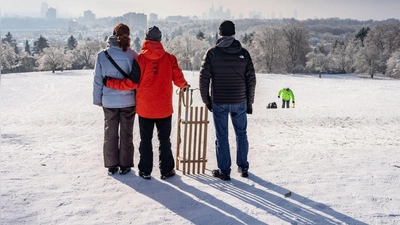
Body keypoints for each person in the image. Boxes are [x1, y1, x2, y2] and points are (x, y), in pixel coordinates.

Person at [104, 26, 189, 180]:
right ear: (160, 39)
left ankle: (145, 170)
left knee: (145, 140)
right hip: (164, 109)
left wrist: (111, 83)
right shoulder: (170, 58)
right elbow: (179, 81)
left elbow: (131, 84)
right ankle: (167, 170)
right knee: (165, 140)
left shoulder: (140, 60)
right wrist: (185, 85)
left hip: (145, 109)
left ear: (146, 39)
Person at [199, 20, 256, 181]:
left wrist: (207, 101)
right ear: (234, 34)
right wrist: (249, 102)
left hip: (220, 101)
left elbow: (204, 79)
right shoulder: (244, 53)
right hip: (240, 100)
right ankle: (243, 168)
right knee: (241, 134)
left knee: (222, 136)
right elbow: (251, 79)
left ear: (220, 34)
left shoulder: (212, 53)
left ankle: (224, 171)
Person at [92, 23, 138, 175]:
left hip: (109, 101)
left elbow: (98, 80)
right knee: (127, 133)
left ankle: (112, 165)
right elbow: (138, 81)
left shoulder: (102, 55)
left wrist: (98, 99)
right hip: (128, 101)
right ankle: (125, 165)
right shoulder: (133, 56)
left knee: (110, 133)